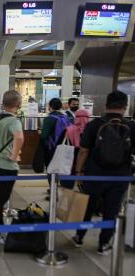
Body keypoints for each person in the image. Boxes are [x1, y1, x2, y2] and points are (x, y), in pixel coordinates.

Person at [72, 90, 135, 255]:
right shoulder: (131, 126)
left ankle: (79, 237)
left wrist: (79, 172)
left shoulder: (94, 124)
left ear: (106, 105)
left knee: (88, 207)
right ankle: (103, 243)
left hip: (95, 174)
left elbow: (84, 151)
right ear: (125, 107)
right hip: (120, 176)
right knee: (112, 210)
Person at [0, 90, 24, 244]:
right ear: (18, 104)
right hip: (6, 166)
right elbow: (19, 137)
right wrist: (15, 155)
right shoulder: (13, 121)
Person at [40, 98, 70, 198]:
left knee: (51, 170)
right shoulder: (66, 118)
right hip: (65, 148)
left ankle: (53, 194)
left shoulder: (49, 119)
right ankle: (64, 193)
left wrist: (40, 133)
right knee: (62, 170)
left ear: (50, 107)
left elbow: (44, 136)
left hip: (52, 149)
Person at [60, 109, 90, 189]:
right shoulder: (91, 131)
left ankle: (69, 201)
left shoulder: (68, 130)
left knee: (67, 190)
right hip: (86, 165)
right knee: (85, 192)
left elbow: (61, 145)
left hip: (68, 164)